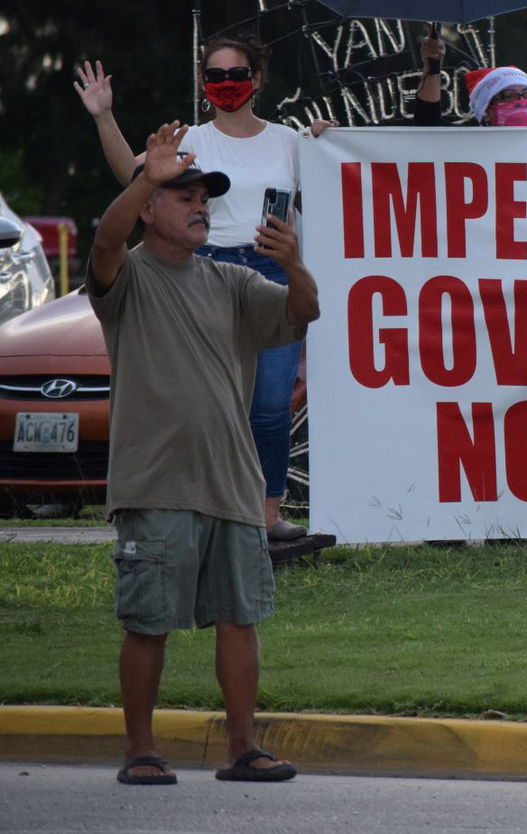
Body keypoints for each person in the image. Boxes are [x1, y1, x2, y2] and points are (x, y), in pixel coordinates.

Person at [88, 121, 320, 785]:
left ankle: (243, 748)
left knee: (241, 619)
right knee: (148, 624)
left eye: (204, 198)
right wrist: (144, 178)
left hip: (232, 482)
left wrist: (293, 262)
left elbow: (304, 311)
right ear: (151, 208)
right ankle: (141, 751)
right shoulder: (127, 277)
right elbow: (106, 240)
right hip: (155, 481)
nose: (200, 207)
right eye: (184, 196)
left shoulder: (230, 283)